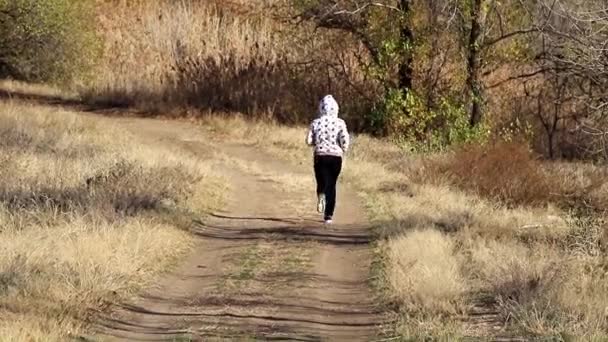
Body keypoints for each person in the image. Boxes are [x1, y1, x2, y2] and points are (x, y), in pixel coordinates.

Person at [306, 95, 350, 224]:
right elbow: (344, 140)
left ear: (321, 108)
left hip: (320, 156)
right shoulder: (340, 122)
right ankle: (328, 216)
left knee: (321, 181)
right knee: (331, 184)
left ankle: (321, 196)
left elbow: (308, 141)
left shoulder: (315, 122)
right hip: (336, 157)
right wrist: (343, 148)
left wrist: (316, 142)